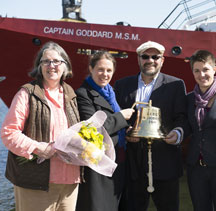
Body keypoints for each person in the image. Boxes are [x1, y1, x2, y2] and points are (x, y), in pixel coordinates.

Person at [1, 41, 80, 211]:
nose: (51, 65)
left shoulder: (70, 94)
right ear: (39, 66)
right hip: (36, 182)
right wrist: (37, 148)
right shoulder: (27, 93)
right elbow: (9, 133)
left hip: (70, 182)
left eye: (56, 61)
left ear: (65, 65)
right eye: (46, 61)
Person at [114, 41, 187, 211]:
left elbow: (182, 118)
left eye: (155, 57)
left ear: (162, 60)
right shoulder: (122, 85)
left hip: (166, 161)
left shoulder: (175, 85)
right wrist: (126, 132)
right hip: (133, 165)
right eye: (145, 56)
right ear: (138, 59)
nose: (150, 60)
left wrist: (177, 133)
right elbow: (116, 117)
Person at [75, 50, 134, 211]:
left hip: (118, 163)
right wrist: (121, 117)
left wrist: (127, 130)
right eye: (100, 69)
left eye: (109, 70)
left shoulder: (111, 93)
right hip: (97, 166)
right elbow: (90, 130)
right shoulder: (83, 94)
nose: (105, 74)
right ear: (91, 69)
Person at [184, 50, 216, 211]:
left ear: (214, 69)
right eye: (197, 70)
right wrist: (177, 133)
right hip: (196, 168)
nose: (202, 75)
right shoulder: (189, 99)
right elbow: (187, 126)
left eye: (206, 69)